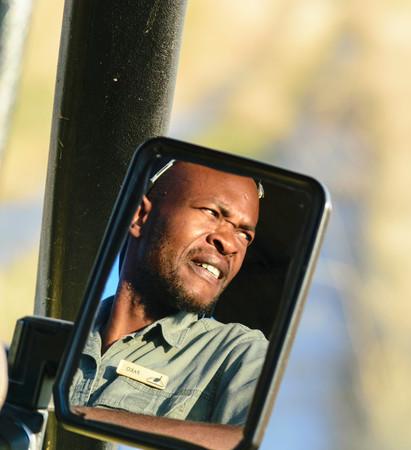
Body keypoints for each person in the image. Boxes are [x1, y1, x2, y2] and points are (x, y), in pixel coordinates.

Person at [70, 161, 268, 436]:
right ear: (139, 215)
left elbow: (247, 440)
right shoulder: (65, 330)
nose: (231, 244)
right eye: (212, 213)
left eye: (244, 234)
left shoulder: (241, 352)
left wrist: (71, 417)